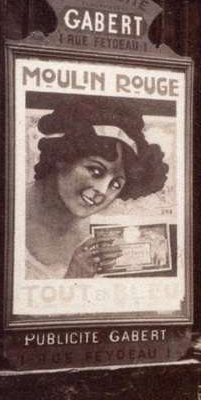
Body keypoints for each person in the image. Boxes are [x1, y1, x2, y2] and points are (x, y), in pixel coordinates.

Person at [24, 97, 168, 279]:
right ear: (62, 157)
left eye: (116, 184)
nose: (102, 191)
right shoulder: (11, 208)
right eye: (95, 170)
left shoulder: (108, 228)